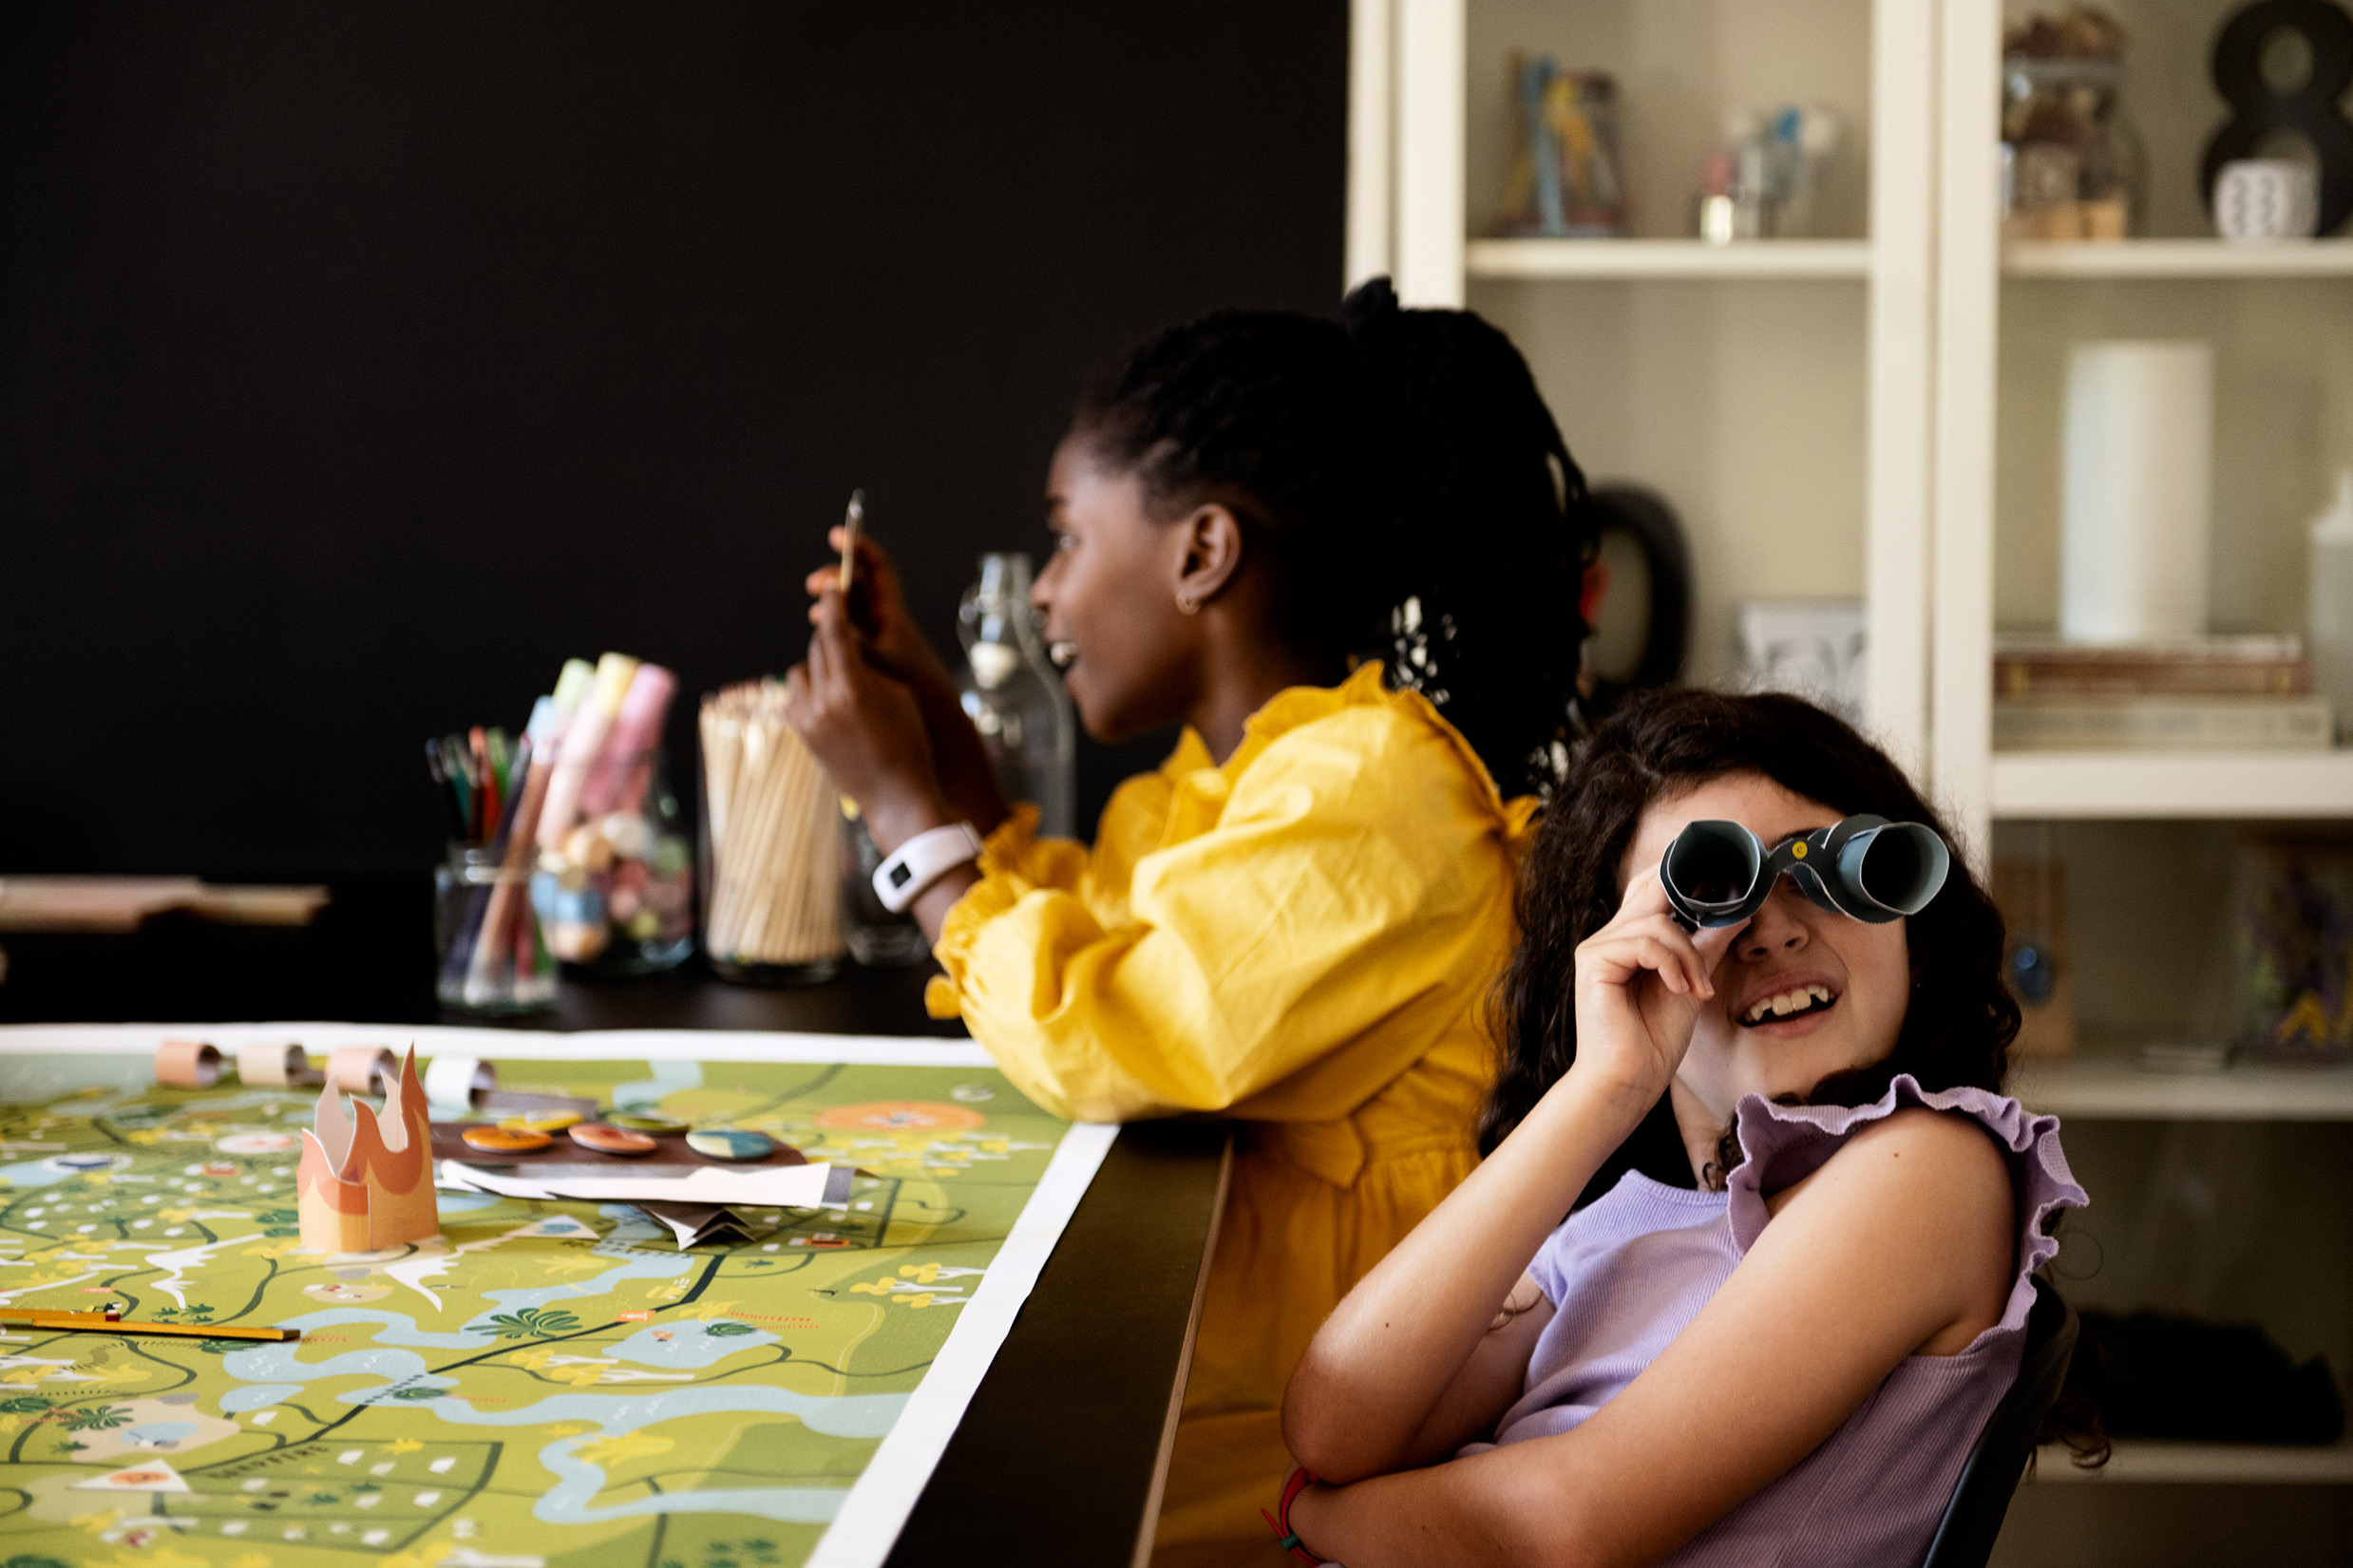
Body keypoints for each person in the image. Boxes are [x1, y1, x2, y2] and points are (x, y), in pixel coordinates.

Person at [781, 279, 1594, 1563]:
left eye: (1066, 538)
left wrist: (900, 810)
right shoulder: (1234, 779)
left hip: (1335, 1428)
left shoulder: (1367, 791)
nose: (1045, 592)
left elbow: (1102, 1026)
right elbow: (1083, 926)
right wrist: (928, 710)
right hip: (1235, 1362)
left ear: (1202, 552)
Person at [1274, 689, 2099, 1568]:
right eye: (1707, 897)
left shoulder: (1924, 1170)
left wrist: (1312, 1516)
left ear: (1910, 927)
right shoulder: (1629, 1228)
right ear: (1623, 957)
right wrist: (1602, 1086)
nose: (1772, 931)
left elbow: (1562, 1529)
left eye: (1825, 871)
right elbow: (1333, 1425)